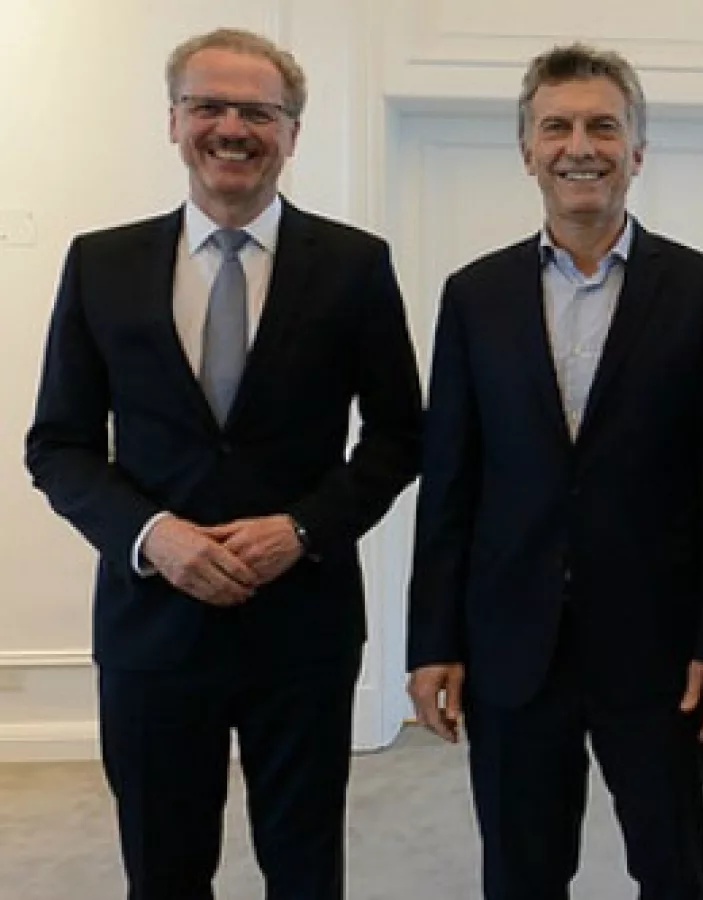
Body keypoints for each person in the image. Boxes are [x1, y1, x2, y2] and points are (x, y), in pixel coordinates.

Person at [24, 27, 424, 900]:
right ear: (173, 121)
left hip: (304, 627)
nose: (232, 128)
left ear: (292, 132)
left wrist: (302, 529)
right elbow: (58, 444)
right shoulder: (101, 264)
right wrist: (152, 536)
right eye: (208, 106)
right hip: (151, 627)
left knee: (305, 869)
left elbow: (399, 435)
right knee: (163, 872)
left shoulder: (355, 266)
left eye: (258, 111)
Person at [405, 43, 703, 900]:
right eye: (556, 127)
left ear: (637, 150)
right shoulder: (474, 295)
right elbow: (449, 480)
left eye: (603, 126)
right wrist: (433, 642)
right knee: (522, 873)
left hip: (658, 650)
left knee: (673, 870)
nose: (580, 146)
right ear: (527, 150)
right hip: (511, 645)